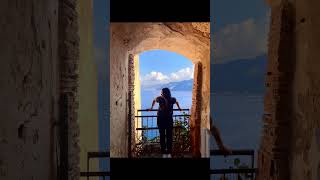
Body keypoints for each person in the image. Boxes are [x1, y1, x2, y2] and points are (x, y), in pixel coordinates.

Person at [148, 87, 182, 158]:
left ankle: (164, 151)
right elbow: (177, 102)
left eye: (161, 92)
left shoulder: (160, 98)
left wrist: (151, 108)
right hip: (169, 120)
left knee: (162, 136)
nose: (161, 93)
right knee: (169, 136)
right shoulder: (172, 99)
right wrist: (179, 108)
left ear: (163, 93)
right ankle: (169, 151)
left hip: (161, 120)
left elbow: (154, 100)